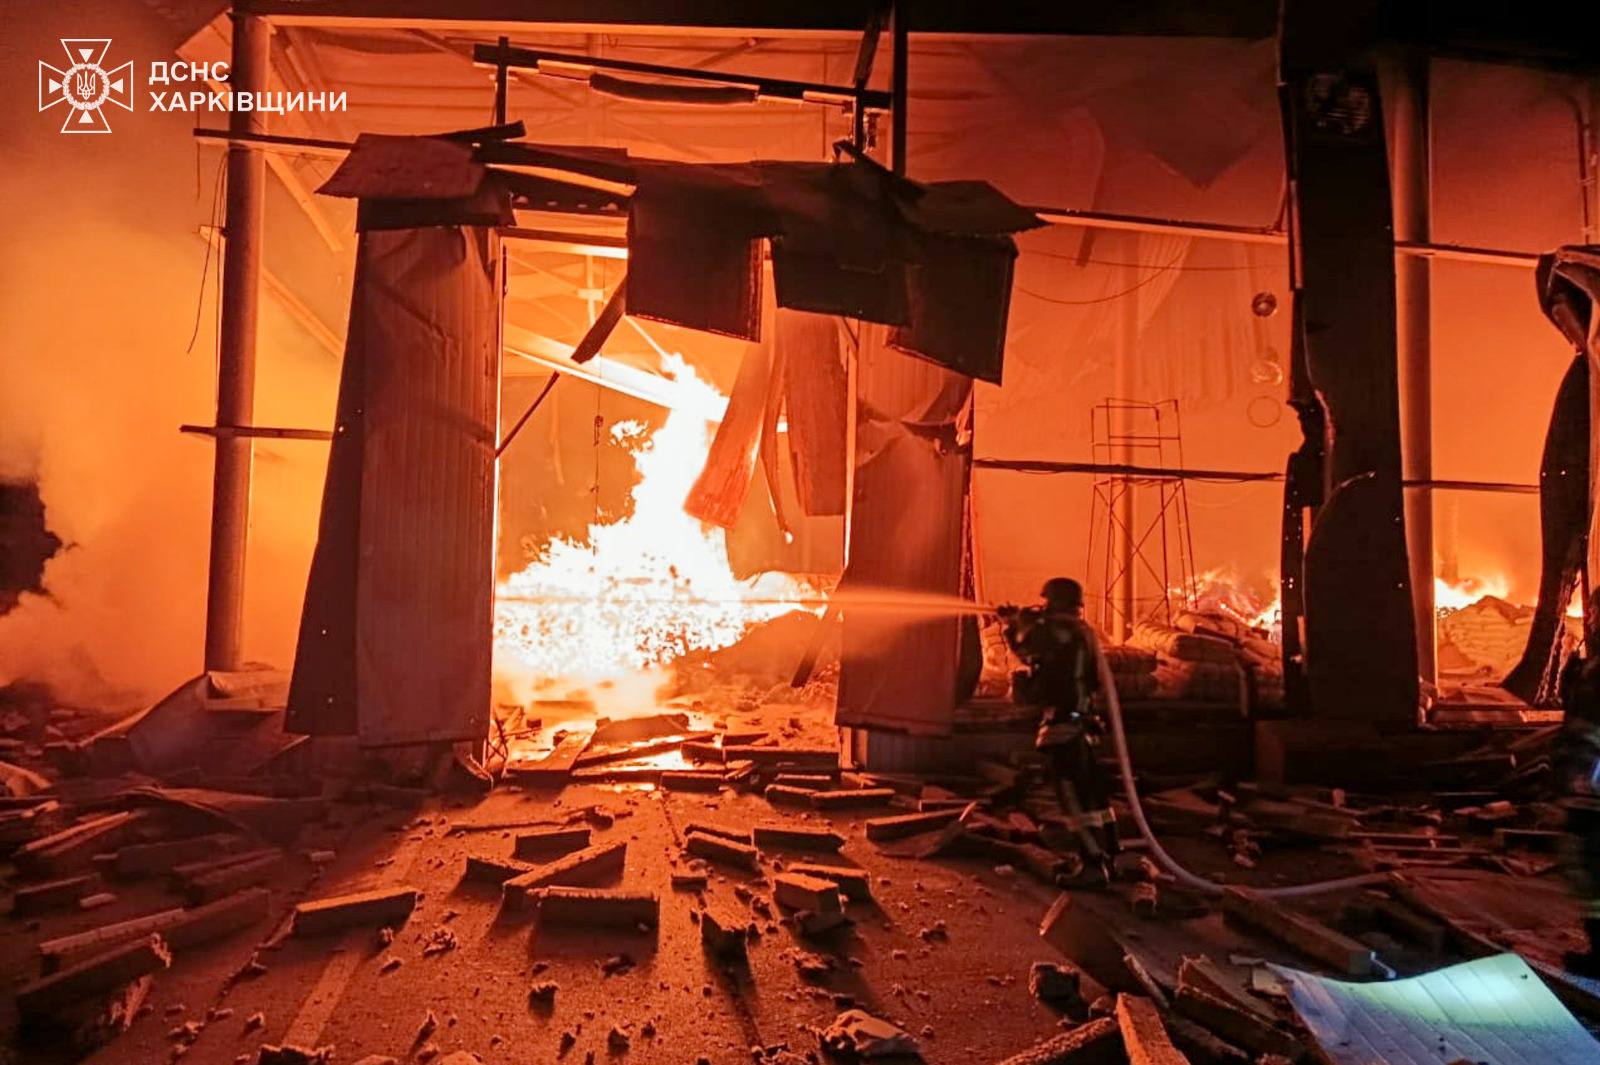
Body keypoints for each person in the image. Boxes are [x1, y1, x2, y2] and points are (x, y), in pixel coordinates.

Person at [998, 577, 1119, 883]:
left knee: (1072, 799)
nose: (1044, 607)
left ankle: (1092, 865)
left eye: (1048, 601)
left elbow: (1027, 649)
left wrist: (1012, 624)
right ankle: (1108, 858)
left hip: (1064, 726)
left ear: (1058, 603)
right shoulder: (1083, 632)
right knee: (1092, 796)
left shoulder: (1057, 631)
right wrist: (1019, 624)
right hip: (1083, 724)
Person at [1558, 591, 1600, 976]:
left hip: (1592, 787)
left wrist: (1580, 776)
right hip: (1587, 782)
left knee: (1588, 868)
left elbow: (1586, 727)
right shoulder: (1591, 668)